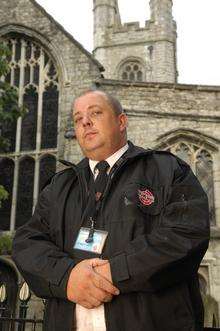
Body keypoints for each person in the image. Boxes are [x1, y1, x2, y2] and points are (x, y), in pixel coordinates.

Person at [12, 90, 210, 331]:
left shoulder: (167, 170)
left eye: (95, 112)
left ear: (121, 121)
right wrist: (67, 277)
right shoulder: (59, 186)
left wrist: (114, 273)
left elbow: (185, 235)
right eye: (77, 118)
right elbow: (27, 243)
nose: (85, 121)